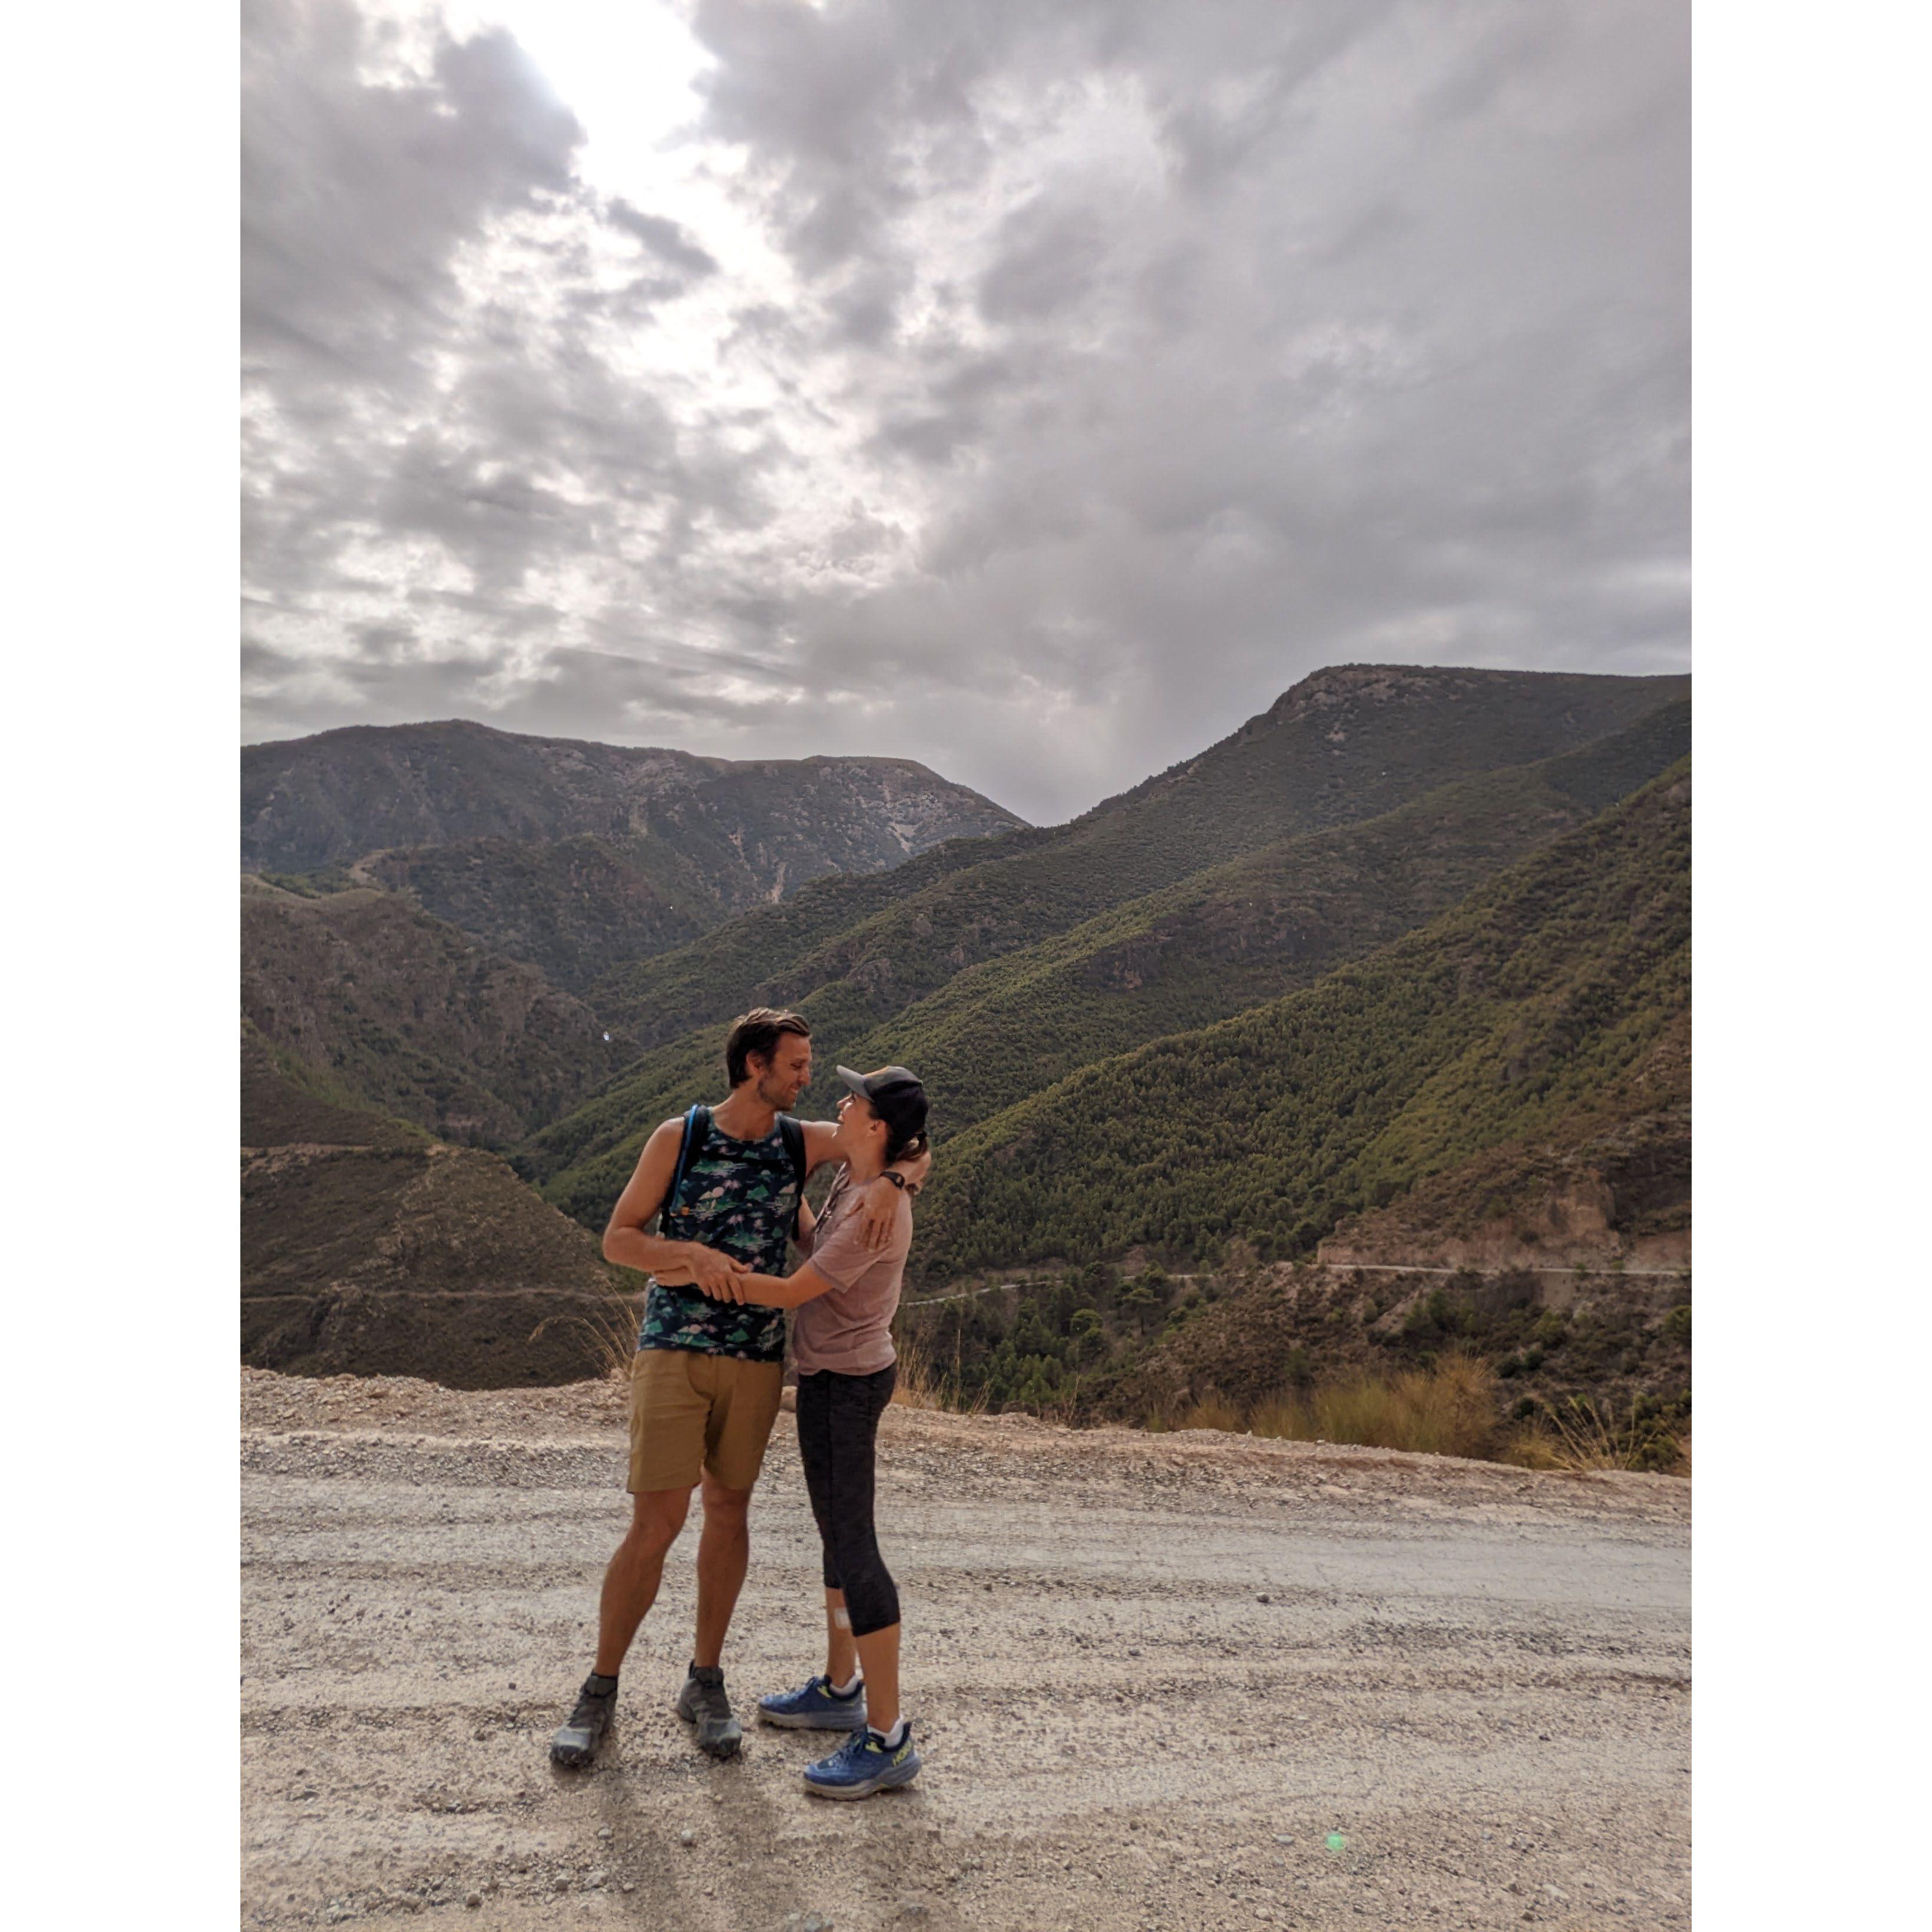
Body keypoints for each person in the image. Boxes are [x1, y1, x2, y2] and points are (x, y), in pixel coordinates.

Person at [548, 1011, 928, 1769]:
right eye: (795, 1065)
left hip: (757, 1360)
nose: (807, 1079)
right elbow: (618, 1239)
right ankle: (600, 1687)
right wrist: (688, 1252)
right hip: (673, 1350)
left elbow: (903, 1138)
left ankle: (706, 1680)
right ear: (754, 1064)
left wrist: (892, 1181)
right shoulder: (678, 1137)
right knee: (655, 1523)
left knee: (729, 1514)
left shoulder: (801, 1140)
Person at [710, 1063, 929, 1799]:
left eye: (854, 1100)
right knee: (837, 1536)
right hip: (829, 1379)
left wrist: (700, 1271)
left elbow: (795, 1289)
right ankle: (841, 1690)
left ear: (876, 1127)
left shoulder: (880, 1205)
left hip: (846, 1386)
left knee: (856, 1547)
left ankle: (889, 1736)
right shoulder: (861, 1185)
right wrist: (788, 1196)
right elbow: (817, 1249)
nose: (840, 1102)